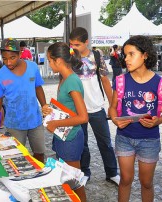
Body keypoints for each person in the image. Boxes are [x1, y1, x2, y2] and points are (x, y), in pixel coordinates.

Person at [109, 35, 161, 202]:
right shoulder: (120, 81)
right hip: (124, 138)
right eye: (125, 55)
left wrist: (158, 121)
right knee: (125, 180)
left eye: (131, 54)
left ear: (145, 55)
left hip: (150, 140)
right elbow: (112, 107)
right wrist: (115, 119)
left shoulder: (159, 83)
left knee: (146, 183)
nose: (127, 59)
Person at [69, 27, 120, 185]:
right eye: (71, 44)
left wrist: (113, 105)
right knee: (82, 145)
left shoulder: (97, 56)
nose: (73, 48)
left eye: (77, 44)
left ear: (86, 42)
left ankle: (112, 172)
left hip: (97, 107)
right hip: (78, 110)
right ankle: (84, 173)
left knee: (105, 142)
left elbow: (105, 80)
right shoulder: (70, 58)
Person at [0, 38, 46, 163]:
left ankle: (39, 180)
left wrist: (45, 106)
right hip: (14, 123)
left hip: (35, 120)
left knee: (40, 153)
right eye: (4, 58)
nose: (8, 62)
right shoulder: (0, 75)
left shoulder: (32, 67)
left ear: (20, 54)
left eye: (12, 58)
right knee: (17, 157)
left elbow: (38, 88)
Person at [42, 42, 88, 202]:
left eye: (49, 60)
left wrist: (55, 124)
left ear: (59, 61)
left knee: (74, 181)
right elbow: (67, 108)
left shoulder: (72, 81)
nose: (48, 64)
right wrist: (50, 109)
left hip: (71, 137)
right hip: (63, 136)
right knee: (66, 179)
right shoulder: (64, 78)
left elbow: (83, 117)